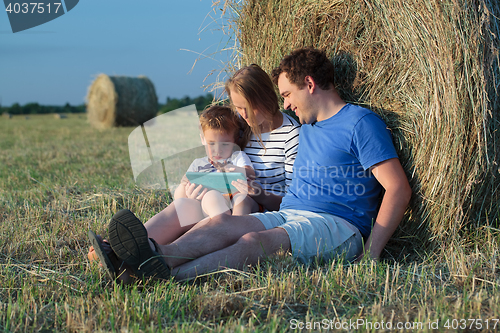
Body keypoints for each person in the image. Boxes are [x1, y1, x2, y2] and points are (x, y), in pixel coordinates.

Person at [104, 48, 412, 281]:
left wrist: (372, 253)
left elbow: (397, 188)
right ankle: (149, 258)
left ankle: (165, 276)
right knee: (221, 223)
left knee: (255, 242)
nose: (286, 104)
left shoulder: (360, 123)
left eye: (288, 94)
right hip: (289, 213)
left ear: (309, 84)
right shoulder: (308, 128)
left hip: (337, 225)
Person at [88, 64, 301, 281]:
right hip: (224, 192)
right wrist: (196, 180)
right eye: (237, 108)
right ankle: (119, 251)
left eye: (246, 107)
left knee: (223, 211)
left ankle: (155, 257)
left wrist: (256, 192)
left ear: (265, 97)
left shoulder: (291, 136)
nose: (242, 115)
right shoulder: (241, 125)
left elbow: (294, 202)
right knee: (183, 204)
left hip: (255, 207)